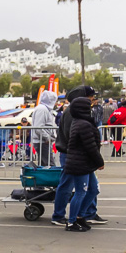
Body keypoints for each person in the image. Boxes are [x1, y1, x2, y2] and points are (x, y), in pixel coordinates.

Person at [55, 96, 103, 231]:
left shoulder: (81, 122)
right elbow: (90, 146)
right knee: (81, 191)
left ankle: (80, 216)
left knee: (93, 189)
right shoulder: (83, 124)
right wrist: (99, 161)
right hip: (80, 162)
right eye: (89, 106)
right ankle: (72, 221)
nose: (92, 108)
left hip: (84, 162)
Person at [30, 90, 57, 166]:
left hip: (43, 141)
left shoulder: (44, 109)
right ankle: (50, 178)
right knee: (49, 164)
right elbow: (38, 127)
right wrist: (47, 137)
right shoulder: (42, 109)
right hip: (42, 142)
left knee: (44, 164)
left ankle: (42, 178)